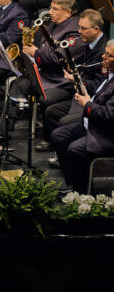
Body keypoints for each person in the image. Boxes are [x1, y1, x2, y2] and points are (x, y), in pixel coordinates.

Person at [0, 0, 83, 147]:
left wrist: (36, 53)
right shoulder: (54, 23)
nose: (50, 12)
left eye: (55, 9)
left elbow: (58, 58)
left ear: (68, 12)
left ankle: (50, 140)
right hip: (44, 74)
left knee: (45, 99)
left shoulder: (74, 31)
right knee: (18, 84)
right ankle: (2, 133)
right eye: (51, 7)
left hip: (61, 81)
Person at [43, 10, 107, 146]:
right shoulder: (89, 43)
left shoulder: (104, 52)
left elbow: (100, 86)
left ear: (96, 30)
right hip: (79, 93)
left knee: (64, 121)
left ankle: (67, 148)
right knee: (51, 112)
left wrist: (76, 79)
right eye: (79, 27)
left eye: (83, 29)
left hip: (93, 99)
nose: (79, 31)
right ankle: (56, 146)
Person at [52, 52, 114, 192]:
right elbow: (99, 90)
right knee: (58, 136)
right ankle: (73, 183)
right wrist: (78, 82)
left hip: (107, 134)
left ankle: (84, 193)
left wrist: (87, 104)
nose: (103, 57)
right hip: (93, 125)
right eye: (105, 53)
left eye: (109, 56)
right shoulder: (110, 75)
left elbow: (109, 115)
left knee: (75, 150)